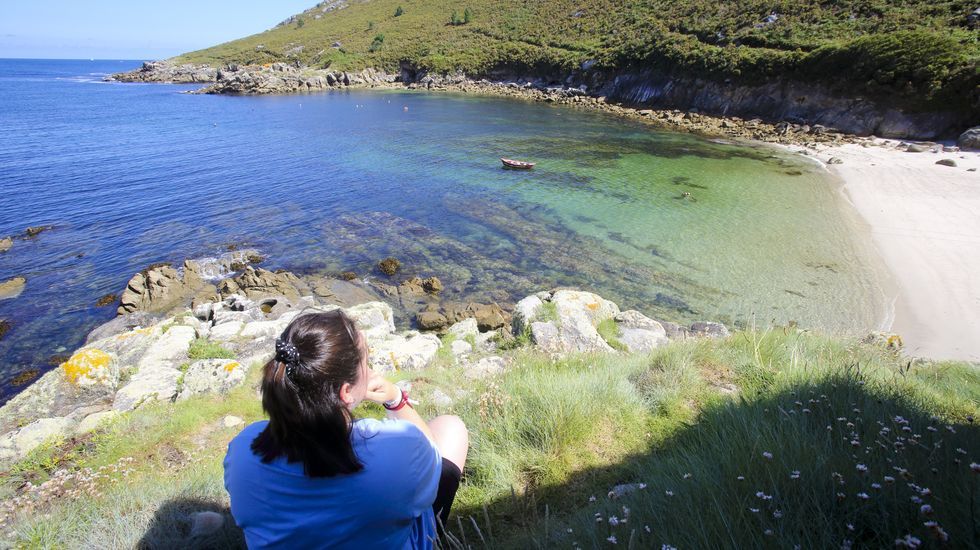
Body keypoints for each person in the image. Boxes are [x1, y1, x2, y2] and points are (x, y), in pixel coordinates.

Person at [224, 310, 469, 549]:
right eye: (366, 361)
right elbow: (431, 464)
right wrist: (396, 400)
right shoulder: (398, 448)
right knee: (450, 427)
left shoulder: (243, 449)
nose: (370, 369)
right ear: (346, 391)